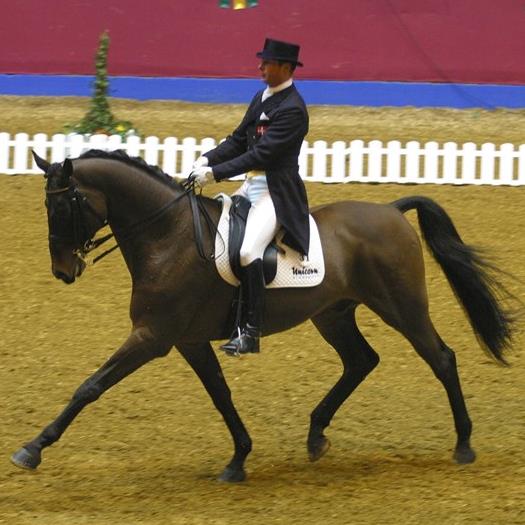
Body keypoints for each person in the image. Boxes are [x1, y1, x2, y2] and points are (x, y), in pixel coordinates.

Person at [192, 37, 310, 355]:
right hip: (250, 188)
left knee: (247, 252)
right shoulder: (261, 97)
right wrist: (208, 158)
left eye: (267, 63)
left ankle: (250, 333)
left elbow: (262, 155)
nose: (260, 66)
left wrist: (216, 174)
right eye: (262, 61)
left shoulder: (294, 110)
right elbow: (238, 140)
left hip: (276, 193)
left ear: (285, 68)